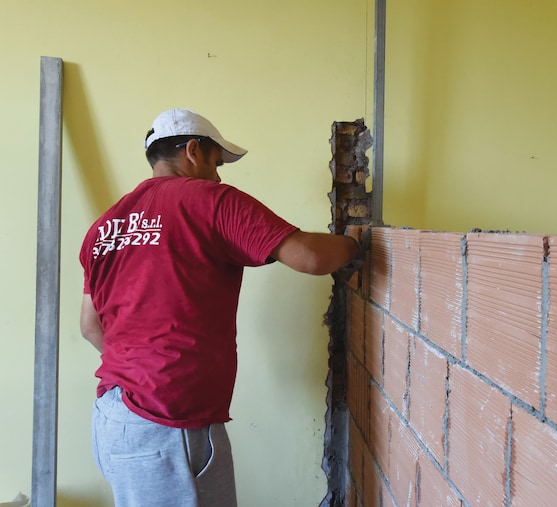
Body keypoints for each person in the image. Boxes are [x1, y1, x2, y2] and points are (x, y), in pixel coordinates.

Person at [79, 108, 363, 507]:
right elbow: (311, 257)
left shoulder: (105, 226)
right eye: (215, 162)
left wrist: (139, 365)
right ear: (193, 151)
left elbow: (91, 326)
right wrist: (357, 243)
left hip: (116, 417)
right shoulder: (208, 200)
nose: (218, 175)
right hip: (166, 421)